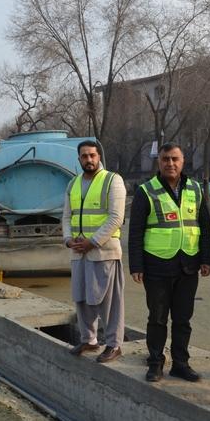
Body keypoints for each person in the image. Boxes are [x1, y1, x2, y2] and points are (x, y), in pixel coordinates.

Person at [128, 143, 210, 383]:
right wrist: (136, 265)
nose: (170, 163)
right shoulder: (147, 191)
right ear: (159, 162)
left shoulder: (195, 189)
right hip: (157, 265)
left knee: (183, 319)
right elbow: (135, 232)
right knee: (157, 318)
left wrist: (206, 259)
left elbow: (205, 227)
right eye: (166, 159)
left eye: (175, 159)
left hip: (188, 265)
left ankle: (180, 364)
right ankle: (155, 362)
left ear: (183, 161)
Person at [63, 140, 127, 364]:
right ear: (79, 159)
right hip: (78, 252)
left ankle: (114, 344)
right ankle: (89, 340)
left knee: (109, 302)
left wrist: (93, 242)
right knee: (81, 298)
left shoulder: (112, 180)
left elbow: (116, 217)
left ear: (99, 156)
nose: (88, 159)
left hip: (104, 252)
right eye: (84, 156)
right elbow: (66, 216)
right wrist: (68, 240)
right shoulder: (73, 184)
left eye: (92, 155)